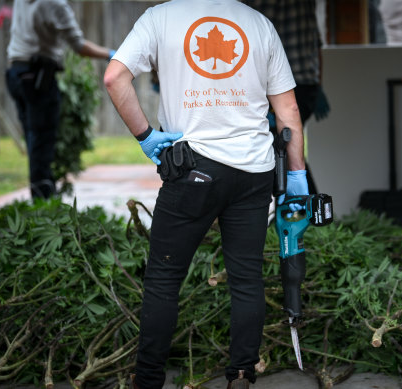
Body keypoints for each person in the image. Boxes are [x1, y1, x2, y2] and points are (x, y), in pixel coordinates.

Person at [103, 1, 308, 388]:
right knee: (246, 277)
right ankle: (243, 375)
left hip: (192, 169)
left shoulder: (159, 18)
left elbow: (115, 78)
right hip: (253, 172)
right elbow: (289, 109)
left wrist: (145, 136)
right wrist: (297, 177)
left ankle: (147, 381)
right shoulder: (258, 23)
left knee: (164, 277)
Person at [5, 0, 115, 199]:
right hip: (37, 77)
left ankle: (42, 194)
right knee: (41, 139)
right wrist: (110, 54)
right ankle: (43, 201)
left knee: (33, 138)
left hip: (15, 73)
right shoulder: (54, 4)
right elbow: (79, 46)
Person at [242, 0, 329, 195]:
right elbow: (317, 44)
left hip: (272, 85)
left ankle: (300, 205)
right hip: (302, 83)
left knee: (280, 149)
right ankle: (300, 206)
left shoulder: (250, 9)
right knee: (284, 148)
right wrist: (318, 84)